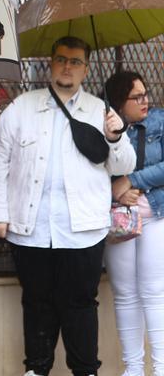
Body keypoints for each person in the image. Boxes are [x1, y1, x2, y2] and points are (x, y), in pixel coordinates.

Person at [0, 36, 135, 376]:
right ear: (50, 63)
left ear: (86, 68)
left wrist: (115, 135)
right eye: (62, 59)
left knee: (81, 305)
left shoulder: (100, 110)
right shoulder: (22, 107)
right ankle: (36, 369)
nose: (68, 66)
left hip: (82, 230)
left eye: (76, 61)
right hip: (30, 229)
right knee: (36, 304)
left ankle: (86, 371)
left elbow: (125, 164)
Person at [103, 71, 164, 376]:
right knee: (125, 293)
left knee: (154, 291)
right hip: (119, 219)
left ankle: (162, 368)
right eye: (136, 97)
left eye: (145, 94)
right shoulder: (104, 127)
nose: (145, 101)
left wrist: (130, 181)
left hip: (155, 215)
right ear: (118, 102)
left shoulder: (160, 121)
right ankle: (133, 369)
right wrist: (114, 191)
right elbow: (92, 169)